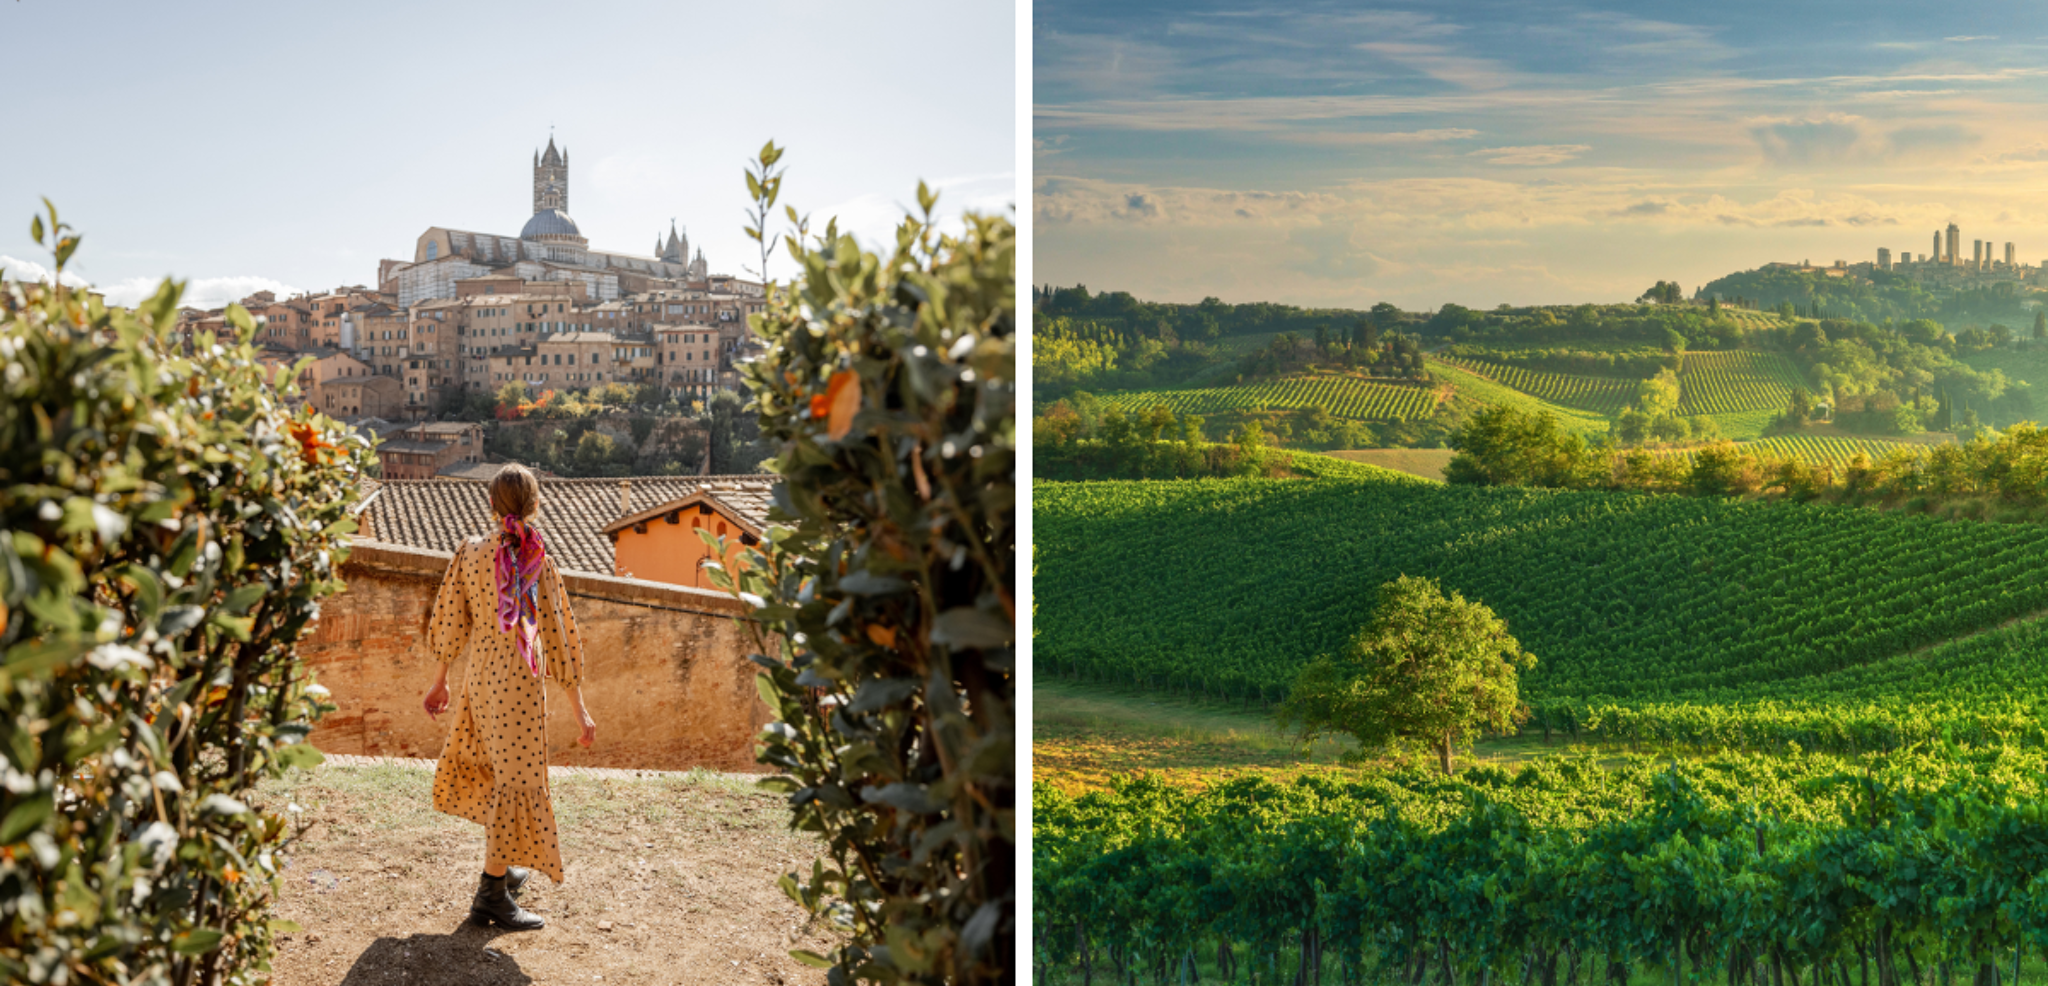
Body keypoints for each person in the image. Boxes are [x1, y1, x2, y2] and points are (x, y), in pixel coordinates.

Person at [421, 464, 597, 931]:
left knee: (500, 773)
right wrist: (580, 709)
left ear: (492, 506)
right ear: (534, 505)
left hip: (481, 680)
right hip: (519, 689)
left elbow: (451, 619)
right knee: (516, 780)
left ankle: (502, 866)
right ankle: (491, 896)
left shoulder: (470, 552)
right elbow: (558, 637)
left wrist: (441, 681)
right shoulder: (539, 562)